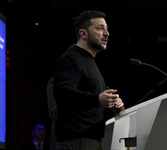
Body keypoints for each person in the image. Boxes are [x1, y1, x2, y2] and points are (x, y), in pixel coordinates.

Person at [52, 10, 124, 150]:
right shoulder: (70, 59)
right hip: (76, 142)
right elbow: (62, 92)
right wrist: (97, 99)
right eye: (100, 28)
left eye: (107, 29)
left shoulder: (90, 62)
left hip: (90, 140)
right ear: (83, 33)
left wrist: (112, 101)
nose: (106, 33)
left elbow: (95, 96)